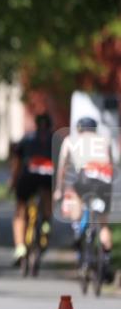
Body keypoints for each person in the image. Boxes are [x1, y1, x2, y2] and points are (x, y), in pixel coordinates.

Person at [54, 116, 114, 279]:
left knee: (74, 196)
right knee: (103, 225)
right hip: (104, 178)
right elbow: (111, 165)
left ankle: (77, 231)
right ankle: (106, 261)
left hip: (85, 177)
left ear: (79, 129)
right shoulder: (104, 140)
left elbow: (63, 168)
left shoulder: (70, 140)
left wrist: (59, 189)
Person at [9, 113, 54, 266]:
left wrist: (13, 181)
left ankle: (20, 248)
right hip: (48, 175)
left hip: (29, 174)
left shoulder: (27, 138)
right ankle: (46, 224)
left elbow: (17, 162)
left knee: (20, 211)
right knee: (47, 198)